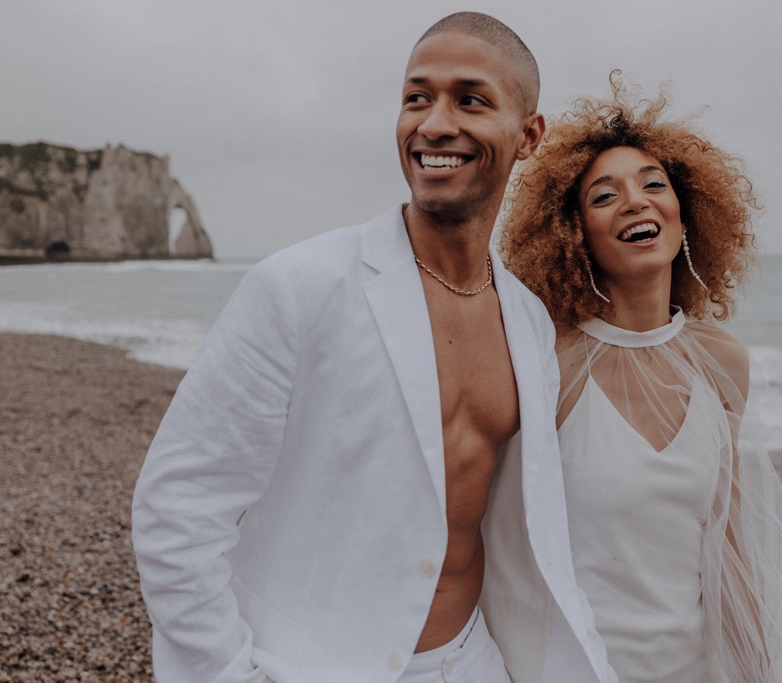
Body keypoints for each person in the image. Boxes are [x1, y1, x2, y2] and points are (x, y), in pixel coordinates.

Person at [131, 12, 617, 683]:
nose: (434, 124)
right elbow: (178, 507)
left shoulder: (528, 320)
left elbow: (529, 529)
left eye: (470, 99)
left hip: (475, 657)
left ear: (530, 134)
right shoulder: (301, 286)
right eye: (417, 97)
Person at [500, 74, 782, 683]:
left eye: (653, 185)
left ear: (686, 218)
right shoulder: (549, 360)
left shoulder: (722, 362)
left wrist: (758, 664)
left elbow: (727, 542)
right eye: (604, 196)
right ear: (574, 235)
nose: (636, 201)